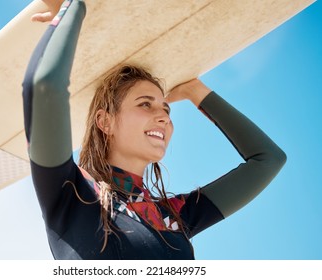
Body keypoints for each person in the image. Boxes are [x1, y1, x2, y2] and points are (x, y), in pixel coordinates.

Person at [22, 0, 286, 260]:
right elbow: (44, 88)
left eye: (167, 109)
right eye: (145, 104)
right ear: (105, 121)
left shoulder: (175, 217)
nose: (162, 116)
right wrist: (73, 8)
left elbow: (269, 160)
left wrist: (196, 91)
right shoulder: (72, 190)